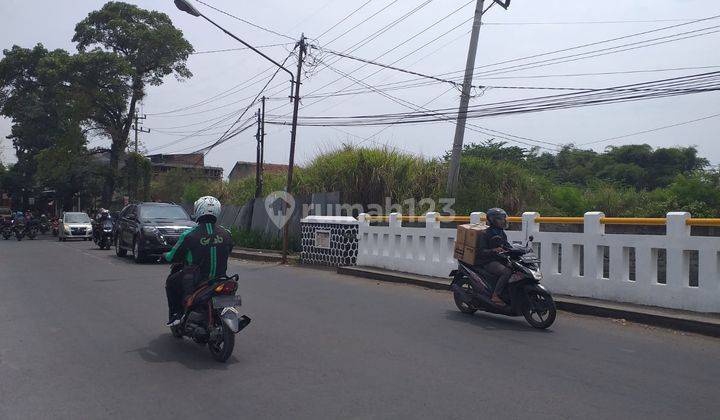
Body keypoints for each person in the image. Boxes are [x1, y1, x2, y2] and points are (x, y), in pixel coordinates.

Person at [163, 196, 234, 327]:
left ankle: (176, 315)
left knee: (171, 282)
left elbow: (172, 256)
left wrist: (166, 254)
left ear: (199, 210)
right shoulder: (227, 233)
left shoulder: (189, 235)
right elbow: (229, 250)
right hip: (221, 278)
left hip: (196, 279)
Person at [477, 208, 513, 307]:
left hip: (499, 259)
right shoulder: (485, 234)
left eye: (504, 218)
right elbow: (481, 251)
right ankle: (495, 295)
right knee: (506, 272)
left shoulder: (501, 232)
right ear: (492, 220)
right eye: (500, 219)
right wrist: (494, 250)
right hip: (488, 261)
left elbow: (506, 245)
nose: (503, 221)